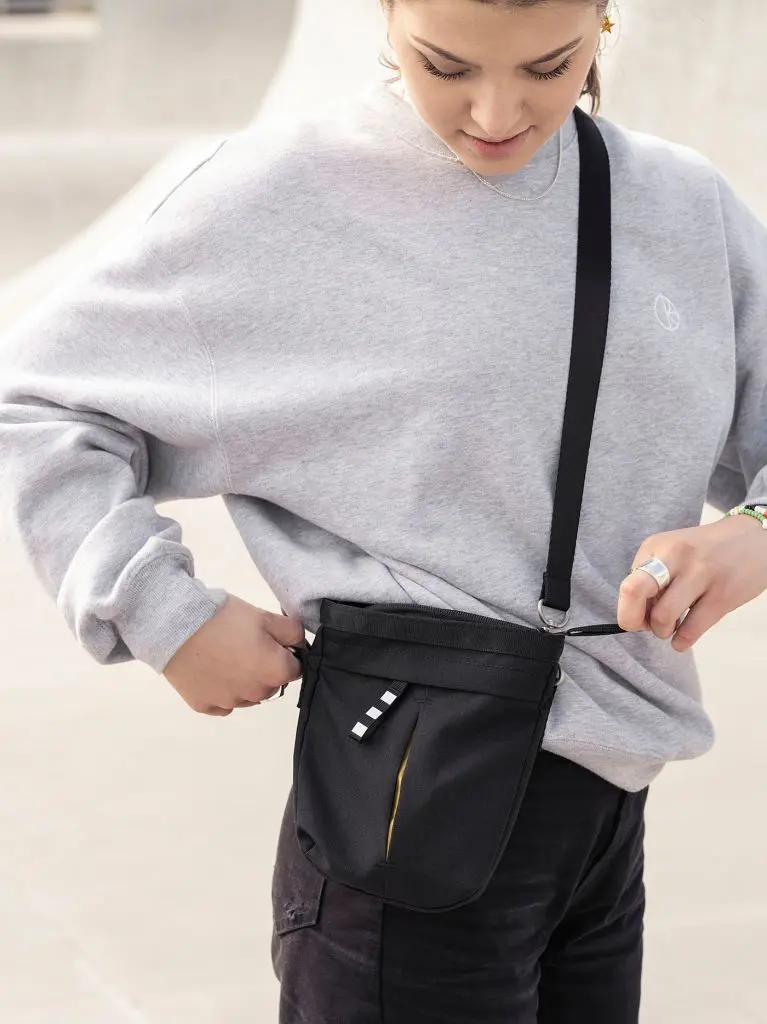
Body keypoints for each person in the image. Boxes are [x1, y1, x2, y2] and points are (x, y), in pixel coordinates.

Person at [1, 0, 766, 1020]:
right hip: (412, 813)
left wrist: (752, 535)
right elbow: (40, 401)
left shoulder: (677, 204)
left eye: (546, 66)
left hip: (607, 807)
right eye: (444, 65)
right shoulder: (280, 196)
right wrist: (159, 611)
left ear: (602, 20)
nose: (495, 113)